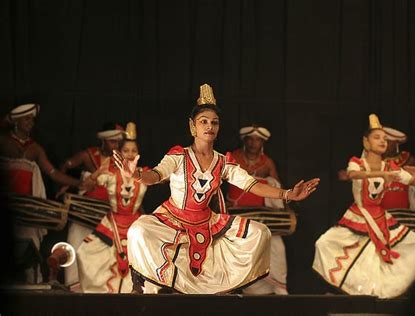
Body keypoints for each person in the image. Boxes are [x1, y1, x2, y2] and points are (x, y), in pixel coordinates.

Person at [115, 84, 320, 294]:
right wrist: (136, 175)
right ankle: (141, 283)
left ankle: (229, 286)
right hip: (174, 218)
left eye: (214, 122)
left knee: (261, 232)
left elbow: (252, 185)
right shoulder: (179, 156)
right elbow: (155, 175)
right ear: (192, 126)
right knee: (138, 230)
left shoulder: (223, 162)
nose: (209, 126)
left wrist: (287, 194)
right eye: (203, 121)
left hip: (208, 221)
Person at [313, 114, 415, 299]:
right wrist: (381, 174)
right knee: (324, 243)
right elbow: (353, 175)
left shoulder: (390, 166)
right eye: (377, 137)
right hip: (359, 214)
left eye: (385, 138)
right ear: (366, 142)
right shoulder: (357, 162)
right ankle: (352, 290)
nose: (382, 141)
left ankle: (378, 294)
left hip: (380, 217)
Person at [0, 103, 86, 283]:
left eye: (32, 119)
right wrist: (6, 120)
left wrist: (81, 183)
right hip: (7, 207)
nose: (30, 122)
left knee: (28, 250)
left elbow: (53, 173)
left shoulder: (35, 149)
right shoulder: (4, 141)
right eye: (26, 118)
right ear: (15, 121)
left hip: (28, 210)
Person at [76, 122, 147, 293]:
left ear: (138, 153)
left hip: (135, 225)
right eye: (126, 151)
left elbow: (165, 177)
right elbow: (87, 185)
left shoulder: (145, 173)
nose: (130, 154)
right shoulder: (110, 173)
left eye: (133, 151)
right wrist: (99, 170)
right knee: (84, 253)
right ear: (119, 153)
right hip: (111, 223)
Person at [58, 122, 123, 291]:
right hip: (84, 212)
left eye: (117, 142)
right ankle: (73, 284)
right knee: (76, 243)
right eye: (112, 142)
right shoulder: (89, 155)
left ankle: (100, 287)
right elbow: (66, 165)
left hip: (105, 214)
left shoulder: (120, 160)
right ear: (103, 141)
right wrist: (66, 184)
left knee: (102, 251)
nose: (115, 145)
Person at [227, 124, 289, 295]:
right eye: (251, 139)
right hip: (236, 214)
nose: (254, 143)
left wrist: (286, 208)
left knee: (277, 248)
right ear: (244, 141)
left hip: (262, 216)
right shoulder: (232, 157)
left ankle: (276, 287)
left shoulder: (267, 163)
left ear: (262, 143)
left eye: (258, 140)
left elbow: (277, 188)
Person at [338, 126, 415, 209]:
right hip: (373, 211)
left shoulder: (406, 160)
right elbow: (357, 175)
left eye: (387, 141)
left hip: (401, 211)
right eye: (380, 139)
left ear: (396, 144)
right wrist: (349, 175)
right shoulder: (368, 158)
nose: (383, 143)